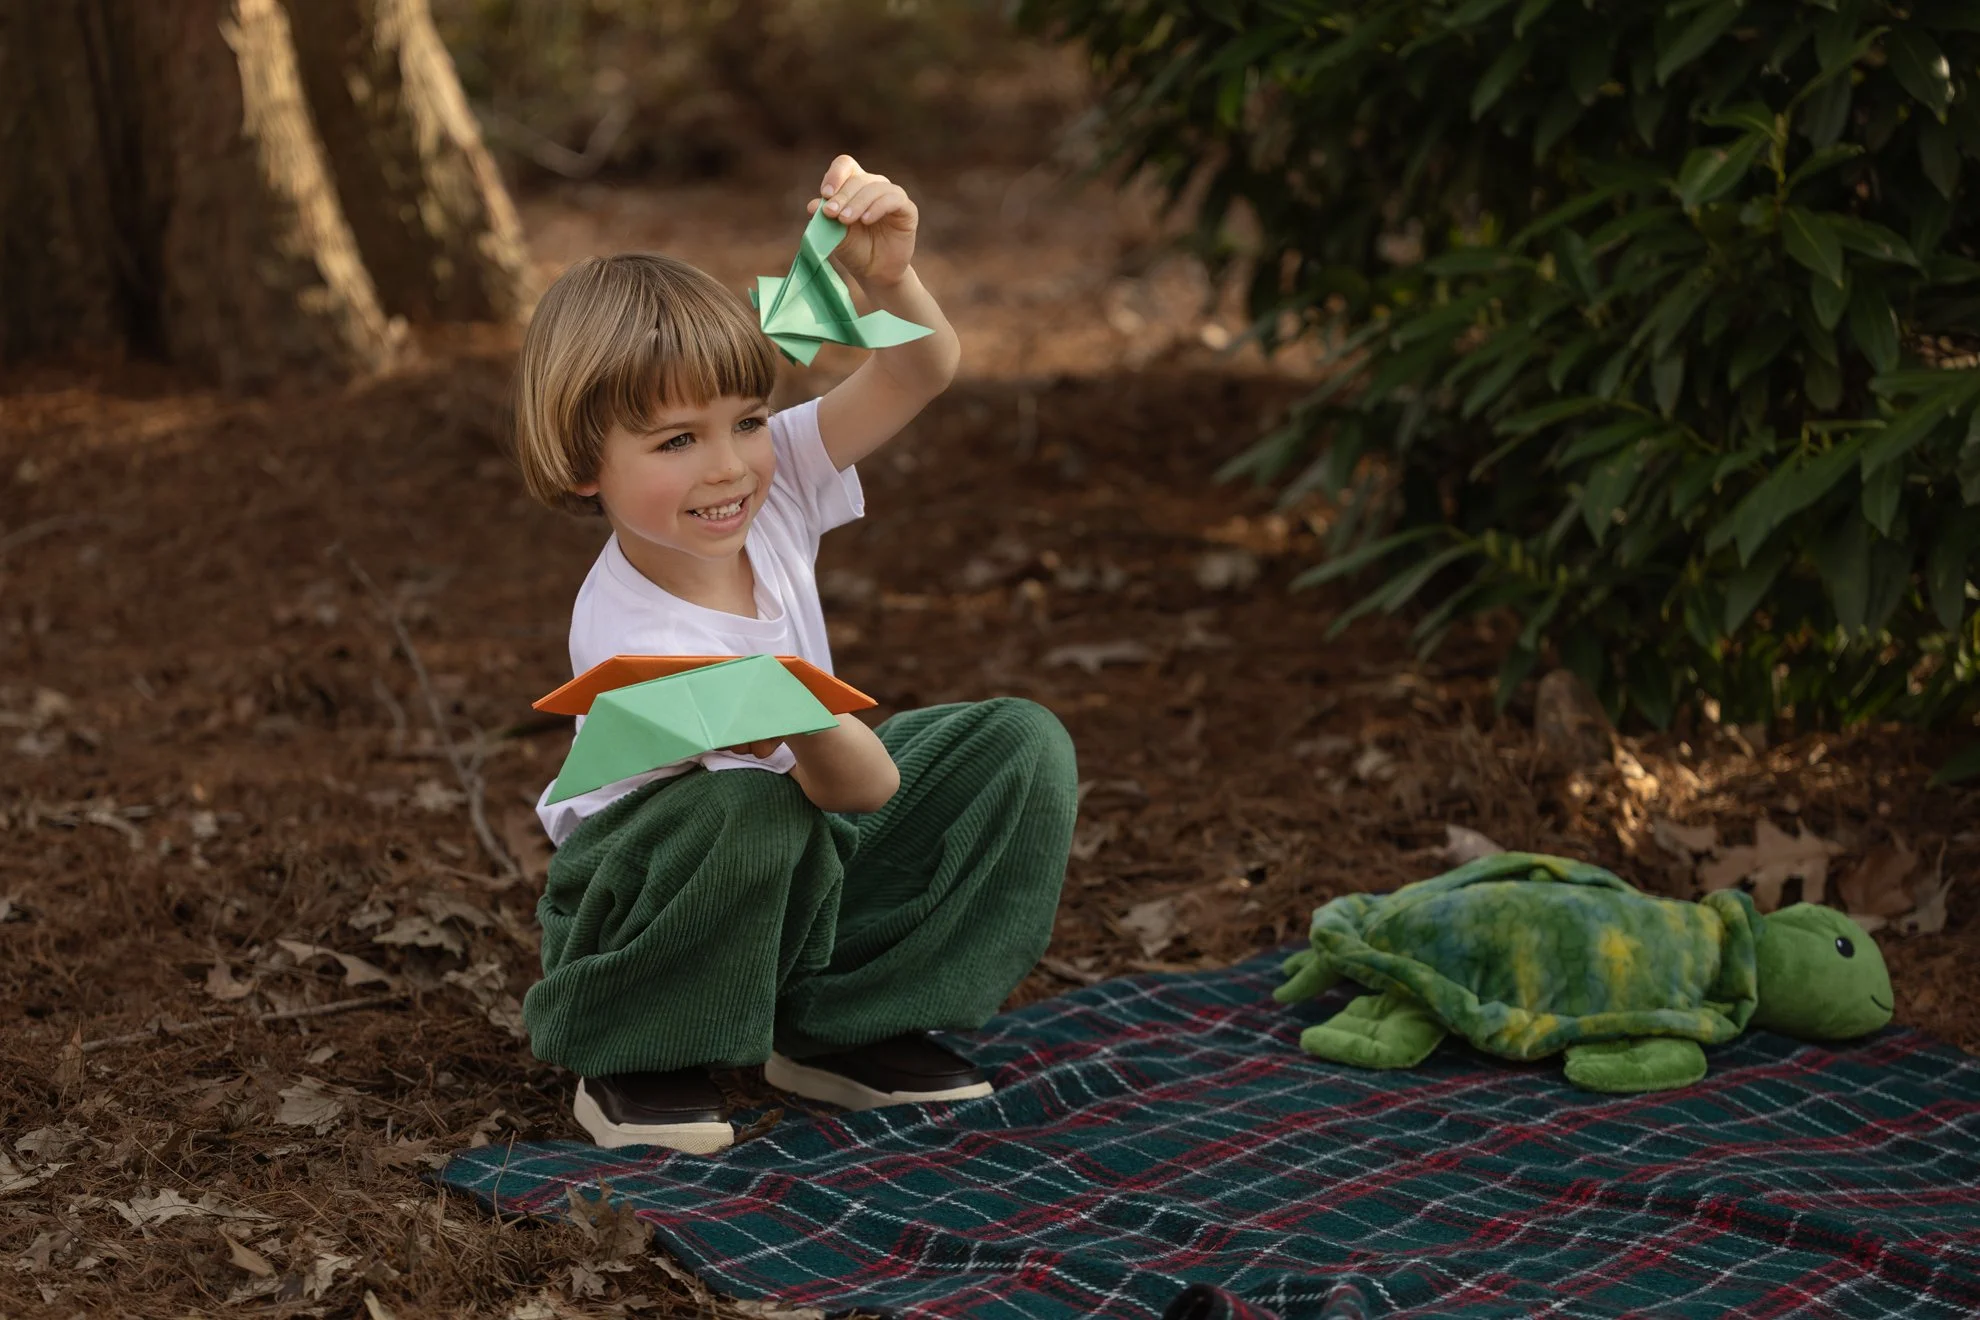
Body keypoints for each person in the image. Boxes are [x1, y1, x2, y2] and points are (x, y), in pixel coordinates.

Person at [508, 155, 1079, 1153]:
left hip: (797, 847)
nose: (729, 465)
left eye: (749, 420)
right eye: (675, 441)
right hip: (648, 895)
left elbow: (918, 367)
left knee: (1020, 746)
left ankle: (841, 1024)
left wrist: (885, 275)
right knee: (752, 811)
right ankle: (636, 1054)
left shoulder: (764, 493)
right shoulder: (640, 635)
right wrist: (818, 722)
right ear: (582, 461)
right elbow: (858, 786)